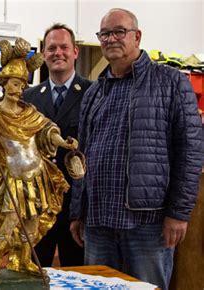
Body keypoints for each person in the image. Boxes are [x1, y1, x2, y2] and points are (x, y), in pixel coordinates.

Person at [69, 8, 204, 290]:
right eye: (104, 33)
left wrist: (178, 213)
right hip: (98, 221)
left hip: (148, 223)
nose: (110, 39)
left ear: (137, 36)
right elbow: (80, 157)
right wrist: (78, 211)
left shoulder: (170, 82)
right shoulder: (95, 91)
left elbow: (190, 151)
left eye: (119, 31)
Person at [0, 38, 82, 279]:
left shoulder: (30, 112)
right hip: (14, 178)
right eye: (15, 83)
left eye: (22, 85)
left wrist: (64, 143)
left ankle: (24, 260)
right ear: (4, 84)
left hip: (36, 177)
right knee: (9, 223)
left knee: (32, 225)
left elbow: (49, 130)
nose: (19, 89)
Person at [23, 23, 91, 267]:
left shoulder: (93, 93)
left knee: (78, 274)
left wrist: (82, 209)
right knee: (34, 274)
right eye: (51, 48)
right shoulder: (28, 98)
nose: (57, 53)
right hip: (37, 206)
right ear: (43, 54)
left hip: (76, 206)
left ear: (75, 52)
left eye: (64, 47)